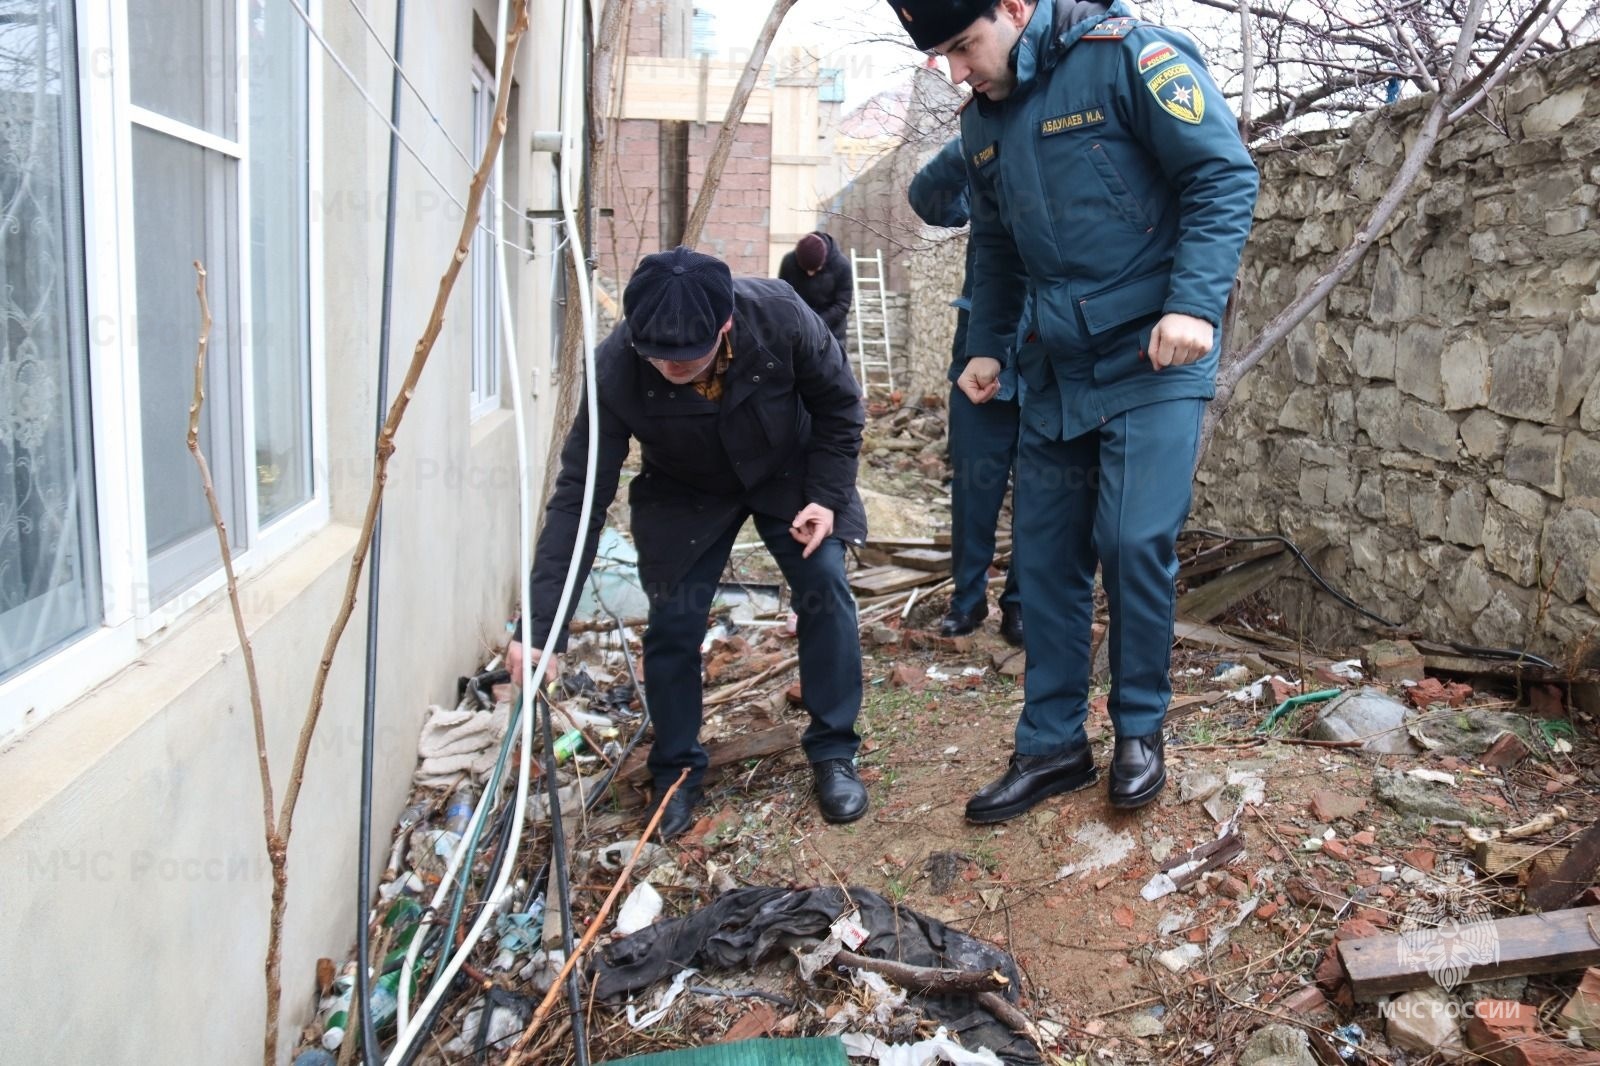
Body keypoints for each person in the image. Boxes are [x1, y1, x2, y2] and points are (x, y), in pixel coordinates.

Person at [886, 0, 1258, 818]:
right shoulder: (984, 122)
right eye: (938, 56)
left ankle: (1137, 731)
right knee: (1045, 564)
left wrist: (1194, 303)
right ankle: (1052, 745)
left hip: (1153, 354)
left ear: (1014, 9)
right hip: (1055, 367)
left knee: (1131, 541)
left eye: (963, 45)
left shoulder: (1127, 58)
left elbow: (1221, 173)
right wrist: (986, 343)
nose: (955, 70)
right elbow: (995, 245)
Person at [507, 246, 871, 840]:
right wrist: (542, 626)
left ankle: (833, 752)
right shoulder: (614, 368)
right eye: (660, 357)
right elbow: (579, 497)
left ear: (724, 324)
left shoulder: (781, 315)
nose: (673, 368)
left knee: (825, 586)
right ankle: (675, 769)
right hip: (686, 490)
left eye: (689, 356)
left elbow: (840, 406)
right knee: (673, 622)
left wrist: (827, 496)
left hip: (791, 474)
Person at [908, 138, 1024, 646]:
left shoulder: (1074, 157)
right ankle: (968, 598)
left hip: (1054, 357)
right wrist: (977, 142)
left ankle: (1020, 605)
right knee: (974, 490)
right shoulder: (994, 154)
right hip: (979, 357)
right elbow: (930, 200)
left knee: (1044, 497)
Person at [778, 231, 853, 351]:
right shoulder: (789, 262)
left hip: (831, 333)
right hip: (798, 331)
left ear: (824, 261)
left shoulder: (842, 266)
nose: (810, 273)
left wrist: (816, 322)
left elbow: (842, 305)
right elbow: (782, 298)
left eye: (815, 270)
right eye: (805, 270)